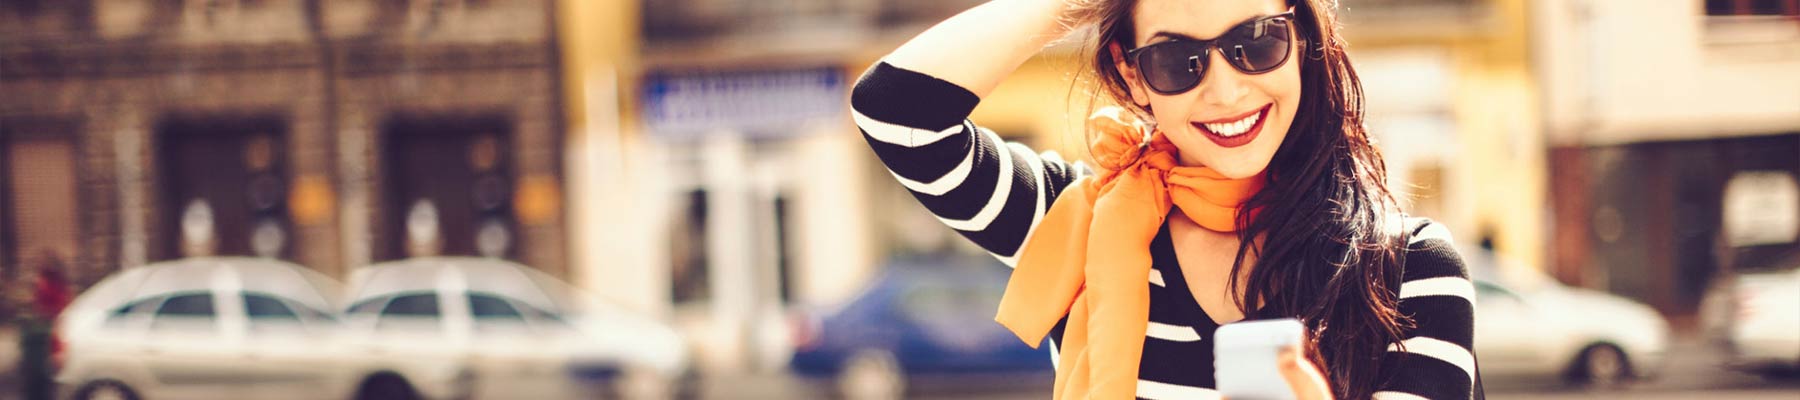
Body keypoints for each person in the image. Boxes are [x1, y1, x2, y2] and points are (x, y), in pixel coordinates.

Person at [849, 0, 1480, 399]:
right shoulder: (1078, 226)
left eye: (1257, 41)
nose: (1227, 92)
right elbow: (895, 114)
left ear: (1303, 42)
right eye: (1179, 60)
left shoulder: (1407, 269)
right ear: (1131, 74)